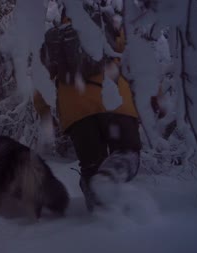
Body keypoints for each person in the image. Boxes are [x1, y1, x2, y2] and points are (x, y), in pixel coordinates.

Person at [34, 4, 142, 211]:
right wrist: (153, 98)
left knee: (91, 166)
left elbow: (41, 83)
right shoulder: (108, 27)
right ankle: (110, 178)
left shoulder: (54, 41)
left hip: (78, 113)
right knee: (127, 152)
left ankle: (101, 215)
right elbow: (137, 61)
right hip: (115, 102)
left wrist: (45, 114)